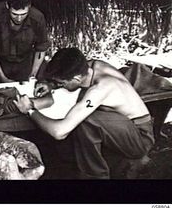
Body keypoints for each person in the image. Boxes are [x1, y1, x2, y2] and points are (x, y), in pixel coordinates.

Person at [13, 47, 155, 179]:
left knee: (86, 120)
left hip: (140, 137)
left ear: (76, 79)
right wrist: (50, 84)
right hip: (123, 126)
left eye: (61, 83)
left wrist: (30, 110)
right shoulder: (92, 66)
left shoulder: (100, 89)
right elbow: (67, 69)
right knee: (77, 126)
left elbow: (59, 132)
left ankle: (95, 178)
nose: (60, 86)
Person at [0, 0, 49, 83]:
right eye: (14, 14)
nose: (19, 19)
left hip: (25, 61)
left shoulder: (38, 18)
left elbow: (41, 49)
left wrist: (32, 75)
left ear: (29, 6)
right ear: (7, 6)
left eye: (23, 14)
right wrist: (2, 77)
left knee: (33, 86)